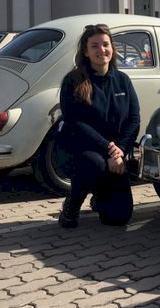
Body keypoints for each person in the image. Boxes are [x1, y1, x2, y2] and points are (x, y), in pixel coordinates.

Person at [57, 23, 141, 229]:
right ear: (85, 51)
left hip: (115, 153)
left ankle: (99, 197)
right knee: (95, 164)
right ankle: (72, 204)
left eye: (105, 44)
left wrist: (120, 150)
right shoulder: (73, 81)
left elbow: (134, 118)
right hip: (83, 149)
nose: (101, 50)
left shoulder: (122, 80)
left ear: (112, 48)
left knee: (119, 218)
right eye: (94, 46)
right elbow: (76, 122)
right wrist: (109, 148)